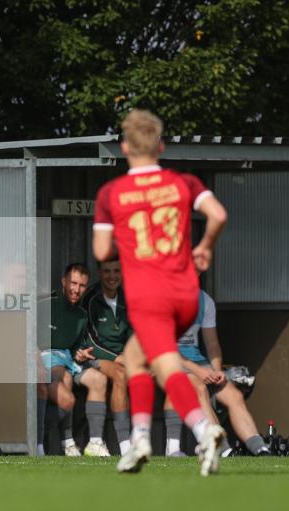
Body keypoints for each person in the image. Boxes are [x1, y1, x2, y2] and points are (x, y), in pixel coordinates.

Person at [92, 109, 229, 476]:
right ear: (161, 146)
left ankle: (205, 430)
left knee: (165, 365)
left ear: (124, 148)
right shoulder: (183, 182)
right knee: (135, 356)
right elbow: (217, 214)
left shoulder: (112, 193)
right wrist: (206, 247)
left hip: (149, 295)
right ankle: (139, 440)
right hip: (187, 294)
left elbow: (102, 251)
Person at [178, 290, 270, 456]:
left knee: (234, 396)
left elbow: (212, 344)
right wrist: (197, 370)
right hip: (172, 362)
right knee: (200, 389)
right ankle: (223, 450)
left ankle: (260, 449)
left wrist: (217, 370)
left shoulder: (205, 301)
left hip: (200, 364)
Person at [39, 263, 110, 457]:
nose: (76, 289)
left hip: (69, 361)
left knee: (100, 379)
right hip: (47, 359)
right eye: (73, 283)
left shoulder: (82, 316)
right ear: (63, 281)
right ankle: (67, 442)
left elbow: (76, 347)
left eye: (81, 285)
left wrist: (80, 354)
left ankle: (94, 443)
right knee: (65, 378)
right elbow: (30, 341)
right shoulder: (45, 305)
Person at [82, 259, 133, 454]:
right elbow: (89, 340)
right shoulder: (90, 298)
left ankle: (171, 446)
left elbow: (134, 332)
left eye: (116, 271)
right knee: (120, 374)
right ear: (99, 273)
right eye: (107, 271)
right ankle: (125, 446)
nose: (112, 276)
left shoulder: (128, 297)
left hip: (124, 357)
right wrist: (118, 358)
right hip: (94, 355)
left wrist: (130, 354)